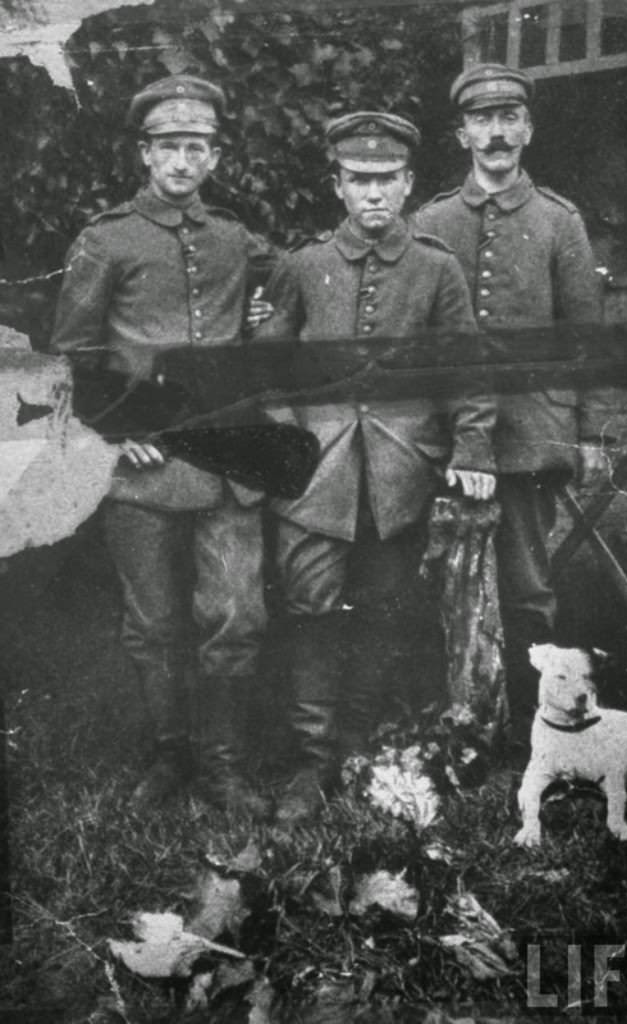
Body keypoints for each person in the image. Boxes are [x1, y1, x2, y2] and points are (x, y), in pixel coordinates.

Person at [256, 111, 496, 826]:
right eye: (358, 179)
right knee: (310, 613)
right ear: (337, 184)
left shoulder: (435, 267)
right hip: (314, 481)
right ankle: (312, 760)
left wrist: (474, 448)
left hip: (398, 477)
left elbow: (470, 370)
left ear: (409, 182)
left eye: (386, 179)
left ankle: (357, 744)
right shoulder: (302, 267)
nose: (373, 194)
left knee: (384, 613)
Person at [51, 74, 274, 815]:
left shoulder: (236, 239)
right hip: (140, 469)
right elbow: (71, 356)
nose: (184, 161)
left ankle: (223, 767)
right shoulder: (106, 239)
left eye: (198, 147)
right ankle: (168, 757)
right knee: (154, 623)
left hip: (228, 464)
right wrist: (117, 426)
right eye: (170, 147)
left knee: (236, 615)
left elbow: (275, 304)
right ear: (145, 153)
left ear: (214, 157)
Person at [416, 63, 606, 743]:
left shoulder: (560, 221)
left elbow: (583, 341)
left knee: (528, 587)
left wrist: (586, 434)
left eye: (508, 119)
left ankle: (535, 722)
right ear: (462, 132)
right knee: (442, 575)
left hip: (529, 434)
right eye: (481, 120)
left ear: (527, 127)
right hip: (446, 436)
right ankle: (459, 710)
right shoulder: (431, 220)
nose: (495, 134)